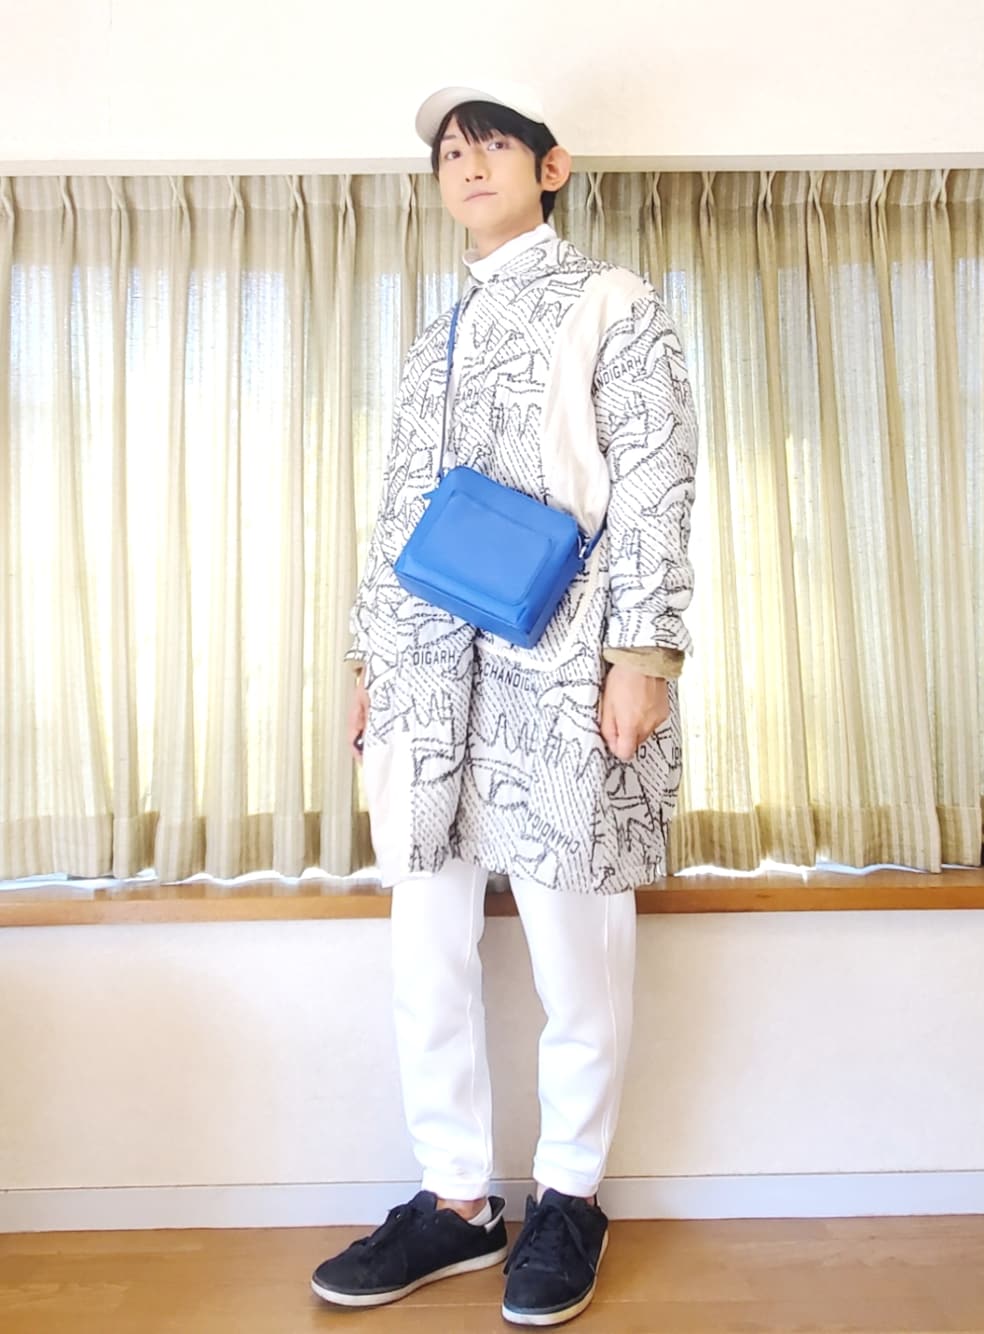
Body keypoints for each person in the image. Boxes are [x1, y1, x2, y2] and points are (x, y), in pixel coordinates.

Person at [311, 79, 696, 1327]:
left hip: (563, 661)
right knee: (425, 947)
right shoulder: (432, 334)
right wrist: (368, 659)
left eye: (489, 145)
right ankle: (456, 1201)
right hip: (426, 677)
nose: (466, 165)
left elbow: (655, 478)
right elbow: (396, 512)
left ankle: (570, 1196)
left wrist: (643, 652)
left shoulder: (613, 301)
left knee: (575, 945)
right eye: (448, 154)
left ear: (550, 166)